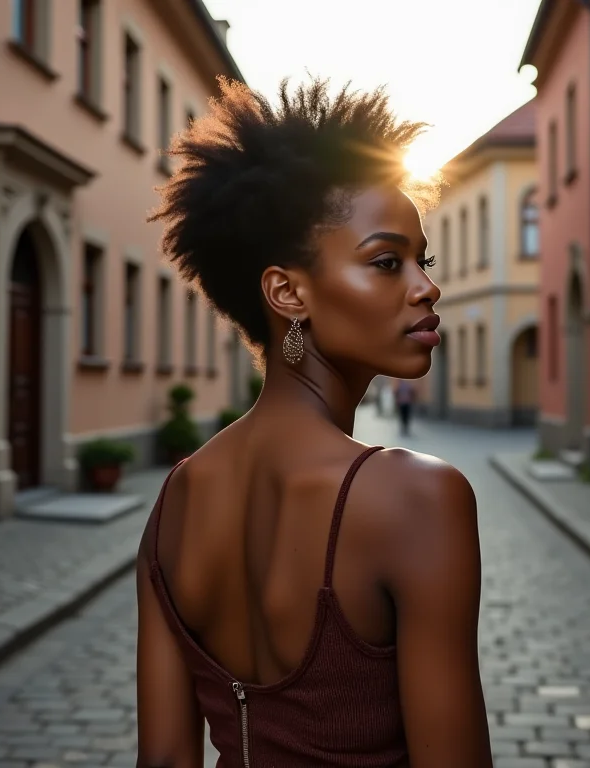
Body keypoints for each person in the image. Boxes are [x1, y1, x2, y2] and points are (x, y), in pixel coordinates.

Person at [136, 76, 492, 768]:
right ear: (287, 291)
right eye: (387, 262)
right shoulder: (416, 498)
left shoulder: (176, 499)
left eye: (424, 260)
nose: (426, 286)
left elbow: (164, 760)